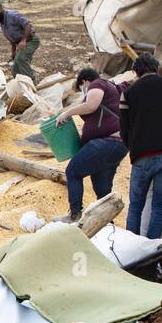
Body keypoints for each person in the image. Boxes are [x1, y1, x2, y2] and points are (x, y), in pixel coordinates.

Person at [119, 53, 162, 239]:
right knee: (159, 207)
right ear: (157, 68)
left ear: (135, 71)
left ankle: (131, 246)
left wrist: (133, 147)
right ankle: (152, 247)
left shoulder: (129, 92)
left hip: (142, 156)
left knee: (136, 206)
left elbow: (123, 126)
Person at [56, 67, 126, 222]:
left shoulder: (97, 84)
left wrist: (67, 113)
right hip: (116, 146)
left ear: (85, 81)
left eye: (82, 88)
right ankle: (107, 223)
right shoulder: (113, 91)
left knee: (73, 172)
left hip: (105, 144)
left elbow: (92, 105)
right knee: (102, 189)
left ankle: (75, 214)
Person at [0, 0, 39, 80]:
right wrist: (13, 52)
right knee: (15, 68)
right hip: (20, 43)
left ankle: (33, 83)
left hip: (30, 40)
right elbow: (13, 40)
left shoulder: (12, 15)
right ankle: (21, 85)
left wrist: (23, 40)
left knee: (21, 59)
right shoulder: (2, 23)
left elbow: (27, 24)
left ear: (0, 9)